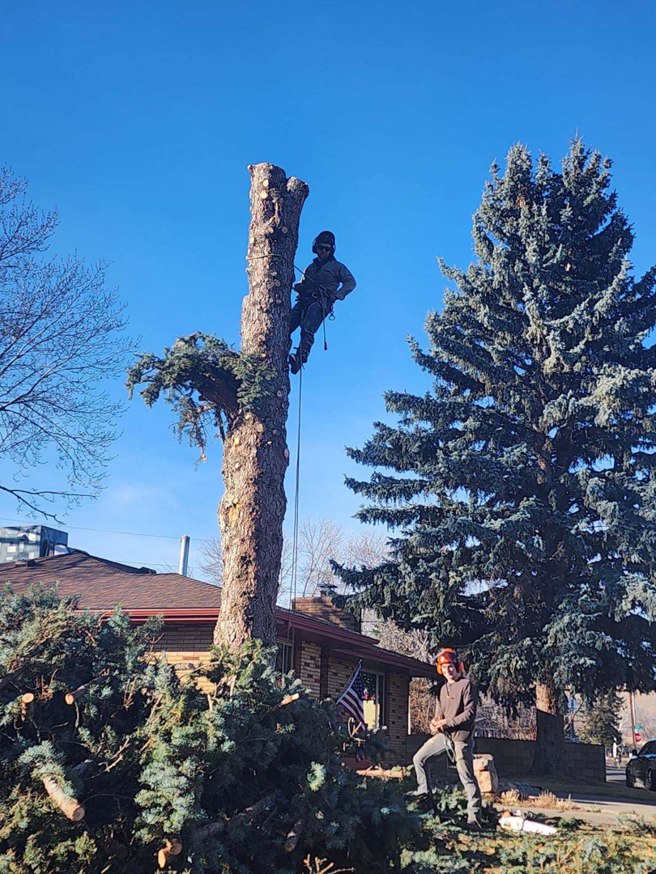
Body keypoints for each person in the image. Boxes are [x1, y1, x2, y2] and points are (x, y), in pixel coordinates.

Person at [408, 647, 483, 830]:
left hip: (461, 738)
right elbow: (439, 713)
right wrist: (434, 723)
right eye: (444, 667)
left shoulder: (467, 686)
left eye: (451, 666)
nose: (448, 670)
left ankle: (475, 819)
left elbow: (469, 715)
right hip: (444, 735)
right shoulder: (443, 689)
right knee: (419, 759)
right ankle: (424, 797)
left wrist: (446, 723)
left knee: (467, 778)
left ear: (457, 666)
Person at [289, 230, 356, 374]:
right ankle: (281, 349)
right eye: (321, 248)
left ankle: (300, 357)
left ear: (331, 250)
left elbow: (351, 283)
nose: (324, 251)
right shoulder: (310, 268)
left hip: (320, 302)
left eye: (327, 248)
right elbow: (303, 283)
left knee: (308, 327)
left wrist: (337, 295)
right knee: (287, 323)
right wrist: (298, 287)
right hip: (304, 300)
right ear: (316, 248)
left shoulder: (338, 267)